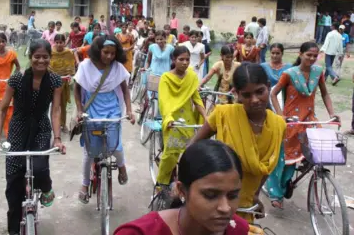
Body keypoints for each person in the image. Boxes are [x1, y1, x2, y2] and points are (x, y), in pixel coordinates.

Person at [0, 39, 67, 235]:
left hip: (41, 128)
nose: (41, 61)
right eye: (37, 57)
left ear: (50, 58)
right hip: (17, 129)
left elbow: (56, 110)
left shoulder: (55, 81)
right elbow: (2, 109)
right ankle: (14, 229)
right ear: (30, 57)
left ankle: (46, 188)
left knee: (40, 167)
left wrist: (57, 138)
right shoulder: (17, 79)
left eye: (45, 57)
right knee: (14, 181)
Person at [193, 63, 286, 223]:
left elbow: (265, 169)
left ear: (269, 87)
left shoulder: (278, 125)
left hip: (246, 206)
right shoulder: (224, 115)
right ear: (237, 94)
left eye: (260, 92)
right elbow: (194, 148)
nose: (255, 100)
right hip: (215, 204)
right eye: (247, 95)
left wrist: (256, 195)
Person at [115, 140, 251, 235]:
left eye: (232, 196)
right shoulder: (139, 232)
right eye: (210, 195)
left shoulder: (239, 230)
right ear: (182, 190)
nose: (225, 208)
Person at [267, 42, 338, 209]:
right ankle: (277, 193)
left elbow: (325, 93)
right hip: (292, 122)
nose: (312, 59)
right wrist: (280, 116)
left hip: (309, 120)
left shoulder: (318, 72)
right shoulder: (289, 74)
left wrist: (332, 114)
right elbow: (273, 93)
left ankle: (306, 167)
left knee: (321, 150)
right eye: (309, 55)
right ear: (300, 54)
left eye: (315, 56)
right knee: (286, 161)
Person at [74, 35, 135, 204]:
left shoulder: (117, 67)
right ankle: (85, 184)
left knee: (115, 145)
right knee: (89, 152)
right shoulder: (85, 66)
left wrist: (129, 111)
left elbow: (125, 90)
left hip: (112, 109)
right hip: (91, 109)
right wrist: (79, 110)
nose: (109, 56)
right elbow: (77, 89)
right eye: (106, 52)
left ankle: (122, 167)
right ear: (97, 51)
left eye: (113, 53)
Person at [156, 46, 207, 188]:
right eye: (181, 59)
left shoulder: (191, 76)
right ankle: (161, 182)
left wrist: (206, 118)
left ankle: (185, 184)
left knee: (190, 155)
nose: (185, 63)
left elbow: (196, 99)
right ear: (173, 60)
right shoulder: (166, 78)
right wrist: (169, 119)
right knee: (170, 154)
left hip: (187, 121)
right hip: (172, 121)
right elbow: (164, 101)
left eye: (187, 60)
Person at [50, 34, 76, 132]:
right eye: (57, 42)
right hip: (52, 81)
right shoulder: (51, 52)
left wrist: (69, 75)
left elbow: (71, 66)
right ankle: (53, 123)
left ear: (64, 42)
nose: (59, 44)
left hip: (63, 82)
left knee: (62, 104)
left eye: (61, 42)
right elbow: (48, 65)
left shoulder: (68, 52)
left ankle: (63, 124)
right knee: (53, 104)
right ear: (54, 42)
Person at [260, 43, 292, 110]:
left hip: (285, 98)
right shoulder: (263, 66)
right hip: (268, 99)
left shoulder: (289, 67)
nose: (275, 56)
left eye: (277, 53)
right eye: (273, 53)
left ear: (282, 54)